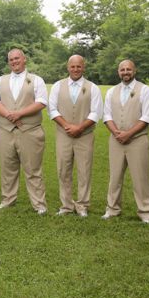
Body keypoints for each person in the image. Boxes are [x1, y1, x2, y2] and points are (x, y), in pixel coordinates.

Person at [0, 48, 49, 214]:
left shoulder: (36, 80)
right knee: (7, 168)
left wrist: (19, 114)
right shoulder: (1, 80)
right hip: (5, 131)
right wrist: (8, 115)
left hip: (30, 131)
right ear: (8, 62)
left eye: (17, 58)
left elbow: (42, 102)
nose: (14, 62)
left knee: (33, 170)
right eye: (11, 60)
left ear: (24, 60)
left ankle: (39, 204)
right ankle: (8, 200)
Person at [48, 55, 103, 217]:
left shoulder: (93, 87)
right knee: (63, 169)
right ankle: (66, 205)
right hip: (63, 134)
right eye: (73, 66)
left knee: (84, 170)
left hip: (85, 135)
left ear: (83, 67)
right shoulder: (58, 86)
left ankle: (82, 205)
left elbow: (96, 112)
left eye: (79, 66)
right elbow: (52, 109)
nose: (76, 69)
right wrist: (67, 126)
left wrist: (80, 127)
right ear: (68, 67)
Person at [102, 59, 149, 224]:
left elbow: (146, 117)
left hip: (138, 140)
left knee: (141, 177)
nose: (125, 72)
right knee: (115, 176)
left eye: (128, 69)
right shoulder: (112, 91)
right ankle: (112, 209)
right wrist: (116, 133)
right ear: (118, 72)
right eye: (122, 70)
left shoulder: (145, 90)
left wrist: (128, 134)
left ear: (135, 71)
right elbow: (107, 115)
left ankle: (145, 212)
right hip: (116, 140)